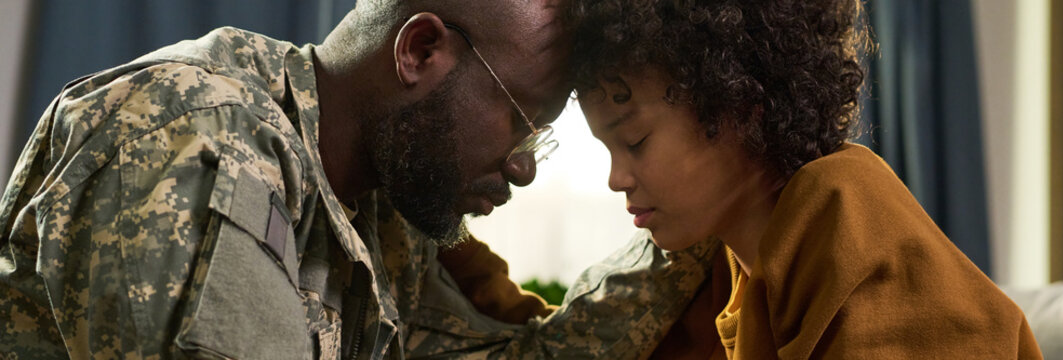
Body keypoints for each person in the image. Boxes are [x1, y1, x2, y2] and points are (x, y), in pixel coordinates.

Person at [0, 1, 716, 358]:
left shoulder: (379, 214)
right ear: (420, 51)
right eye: (519, 119)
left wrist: (703, 200)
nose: (524, 168)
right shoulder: (194, 136)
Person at [569, 0, 1043, 358]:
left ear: (738, 104)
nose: (616, 179)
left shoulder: (846, 215)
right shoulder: (723, 268)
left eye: (634, 141)